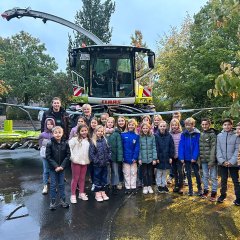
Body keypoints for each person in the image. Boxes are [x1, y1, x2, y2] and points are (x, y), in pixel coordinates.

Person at [46, 126, 70, 210]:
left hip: (62, 168)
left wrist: (62, 166)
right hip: (53, 168)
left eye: (59, 132)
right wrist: (56, 166)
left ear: (62, 133)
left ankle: (63, 201)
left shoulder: (66, 143)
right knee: (52, 185)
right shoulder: (49, 143)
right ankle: (52, 202)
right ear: (52, 134)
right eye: (55, 132)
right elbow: (48, 157)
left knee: (61, 184)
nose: (58, 134)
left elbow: (68, 155)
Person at [217, 119, 240, 206]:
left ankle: (238, 198)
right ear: (222, 126)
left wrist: (231, 161)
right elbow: (218, 149)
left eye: (229, 124)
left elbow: (237, 150)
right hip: (222, 163)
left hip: (233, 164)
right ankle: (222, 195)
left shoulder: (236, 136)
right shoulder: (219, 136)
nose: (227, 126)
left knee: (235, 181)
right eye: (225, 124)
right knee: (223, 180)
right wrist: (222, 161)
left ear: (231, 126)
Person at [178, 117, 202, 196]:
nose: (188, 126)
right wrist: (181, 157)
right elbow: (181, 146)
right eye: (186, 125)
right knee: (188, 174)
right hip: (186, 158)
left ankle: (199, 189)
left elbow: (197, 147)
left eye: (189, 125)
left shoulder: (197, 134)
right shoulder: (183, 134)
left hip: (194, 159)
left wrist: (194, 157)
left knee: (197, 174)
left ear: (193, 125)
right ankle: (190, 190)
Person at [89, 125, 111, 202]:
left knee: (104, 178)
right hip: (97, 164)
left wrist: (108, 158)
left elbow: (109, 150)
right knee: (97, 178)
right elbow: (92, 154)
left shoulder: (105, 140)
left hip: (105, 163)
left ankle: (103, 191)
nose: (100, 133)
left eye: (101, 131)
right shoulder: (93, 141)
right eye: (98, 131)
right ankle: (97, 193)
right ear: (95, 132)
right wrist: (97, 161)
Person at [69, 124, 90, 203]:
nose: (84, 132)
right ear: (79, 131)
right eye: (82, 131)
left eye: (85, 130)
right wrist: (73, 158)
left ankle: (81, 193)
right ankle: (73, 194)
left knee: (82, 178)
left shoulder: (88, 140)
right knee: (75, 178)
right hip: (76, 161)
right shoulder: (74, 139)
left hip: (85, 161)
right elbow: (69, 148)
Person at [199, 118, 218, 201]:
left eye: (206, 124)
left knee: (213, 176)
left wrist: (212, 161)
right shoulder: (201, 134)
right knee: (205, 176)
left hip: (212, 160)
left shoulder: (212, 134)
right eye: (203, 124)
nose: (204, 126)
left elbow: (214, 148)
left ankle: (214, 192)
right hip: (203, 160)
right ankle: (205, 190)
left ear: (209, 125)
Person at [155, 121, 175, 193]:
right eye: (161, 126)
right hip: (159, 157)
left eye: (164, 126)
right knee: (159, 172)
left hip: (166, 157)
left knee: (165, 172)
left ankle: (164, 185)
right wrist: (156, 158)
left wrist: (170, 157)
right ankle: (159, 185)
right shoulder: (156, 135)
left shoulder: (169, 136)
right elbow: (155, 147)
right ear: (158, 127)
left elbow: (171, 147)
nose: (162, 128)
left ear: (166, 127)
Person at [121, 118, 140, 194]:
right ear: (127, 125)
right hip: (125, 158)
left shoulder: (136, 136)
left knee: (133, 173)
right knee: (126, 173)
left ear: (135, 126)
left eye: (132, 125)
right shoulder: (123, 135)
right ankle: (128, 187)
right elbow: (121, 147)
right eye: (129, 125)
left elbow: (137, 147)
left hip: (133, 159)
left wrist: (135, 157)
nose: (131, 126)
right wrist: (122, 157)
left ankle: (133, 187)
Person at [105, 117, 123, 194]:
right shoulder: (103, 132)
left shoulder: (116, 134)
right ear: (106, 123)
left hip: (114, 155)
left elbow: (119, 146)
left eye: (111, 122)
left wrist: (119, 157)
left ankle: (114, 184)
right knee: (106, 171)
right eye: (108, 122)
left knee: (115, 171)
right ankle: (107, 184)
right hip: (105, 156)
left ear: (113, 124)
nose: (110, 124)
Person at [138, 122, 157, 194]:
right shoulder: (139, 137)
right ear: (141, 129)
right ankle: (145, 186)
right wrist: (139, 158)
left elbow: (154, 147)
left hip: (150, 159)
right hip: (143, 159)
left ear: (149, 129)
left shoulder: (152, 136)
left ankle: (149, 186)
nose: (145, 129)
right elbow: (139, 149)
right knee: (144, 173)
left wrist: (154, 158)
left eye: (146, 128)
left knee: (150, 173)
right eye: (144, 128)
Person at [38, 118, 56, 195]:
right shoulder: (43, 134)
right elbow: (40, 144)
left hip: (54, 156)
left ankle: (53, 186)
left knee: (53, 170)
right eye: (48, 124)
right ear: (46, 125)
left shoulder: (55, 133)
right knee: (46, 170)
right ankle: (45, 186)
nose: (50, 125)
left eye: (51, 124)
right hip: (45, 155)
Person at [169, 118, 184, 194]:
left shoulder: (181, 134)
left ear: (178, 125)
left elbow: (182, 146)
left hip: (180, 156)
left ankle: (181, 186)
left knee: (180, 171)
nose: (174, 126)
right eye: (173, 125)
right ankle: (176, 185)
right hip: (172, 156)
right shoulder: (169, 134)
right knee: (174, 172)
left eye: (176, 125)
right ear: (171, 126)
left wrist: (181, 156)